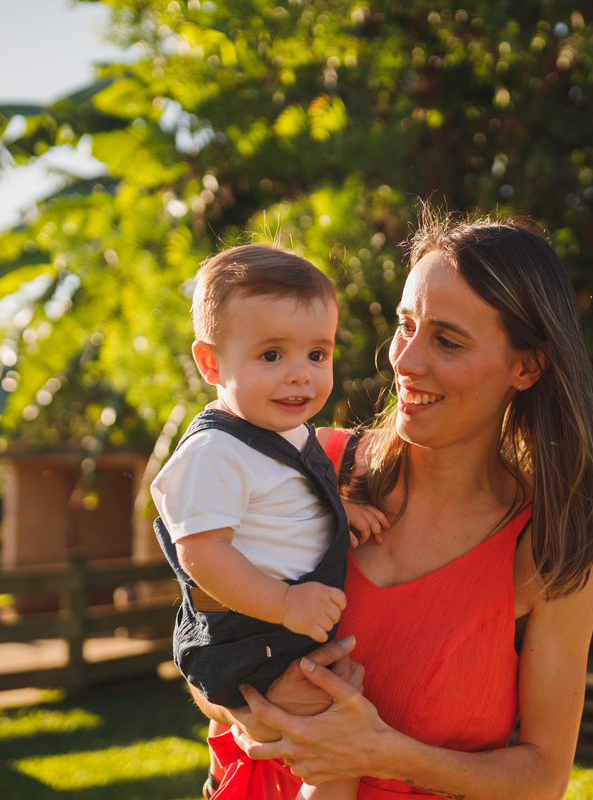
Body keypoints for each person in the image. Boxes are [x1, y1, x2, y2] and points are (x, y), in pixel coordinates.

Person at [191, 213, 593, 800]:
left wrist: (381, 753)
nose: (406, 361)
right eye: (406, 326)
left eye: (447, 341)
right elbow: (199, 638)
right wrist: (254, 706)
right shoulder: (308, 465)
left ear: (527, 366)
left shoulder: (548, 547)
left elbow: (543, 778)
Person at [150, 243, 388, 800]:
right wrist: (284, 603)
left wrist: (337, 511)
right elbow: (201, 554)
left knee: (329, 722)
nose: (300, 375)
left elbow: (282, 504)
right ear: (211, 363)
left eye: (317, 354)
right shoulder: (213, 453)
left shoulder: (287, 433)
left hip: (279, 634)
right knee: (334, 739)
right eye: (272, 355)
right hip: (253, 635)